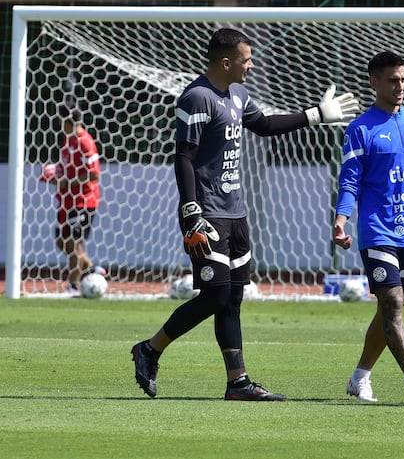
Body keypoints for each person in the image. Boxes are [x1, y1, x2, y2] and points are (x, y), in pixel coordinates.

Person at [131, 28, 359, 401]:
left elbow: (265, 126)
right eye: (246, 59)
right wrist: (190, 210)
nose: (251, 65)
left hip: (236, 213)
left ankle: (238, 382)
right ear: (226, 62)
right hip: (206, 214)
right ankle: (150, 349)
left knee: (233, 298)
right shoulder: (197, 98)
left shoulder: (238, 93)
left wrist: (315, 115)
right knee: (215, 297)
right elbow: (183, 156)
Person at [332, 51, 404, 404]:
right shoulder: (360, 129)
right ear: (374, 82)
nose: (400, 86)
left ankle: (359, 378)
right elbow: (350, 180)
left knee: (391, 309)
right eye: (392, 80)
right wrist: (341, 219)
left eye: (403, 79)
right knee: (393, 302)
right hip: (377, 230)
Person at [39, 103, 104, 296]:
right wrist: (54, 174)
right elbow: (66, 167)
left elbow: (94, 174)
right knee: (61, 241)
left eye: (59, 119)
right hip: (66, 200)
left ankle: (74, 286)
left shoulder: (85, 142)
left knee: (74, 243)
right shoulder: (68, 141)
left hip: (84, 200)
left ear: (65, 120)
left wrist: (68, 183)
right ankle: (92, 269)